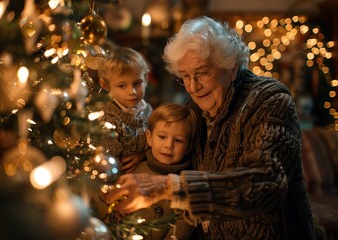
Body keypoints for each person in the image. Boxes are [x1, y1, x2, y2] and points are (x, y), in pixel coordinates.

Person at [104, 16, 316, 239]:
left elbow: (264, 183)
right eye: (185, 76)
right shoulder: (195, 110)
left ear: (231, 67)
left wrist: (170, 187)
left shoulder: (269, 100)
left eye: (203, 72)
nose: (193, 87)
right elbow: (169, 147)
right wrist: (142, 154)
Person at [130, 102, 197, 240]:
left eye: (178, 140)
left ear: (189, 146)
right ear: (149, 137)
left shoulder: (186, 185)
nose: (169, 145)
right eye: (162, 137)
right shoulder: (134, 170)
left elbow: (183, 225)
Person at [94, 46, 153, 173]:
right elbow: (110, 161)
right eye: (122, 86)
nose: (132, 92)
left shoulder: (147, 110)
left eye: (137, 83)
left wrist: (143, 155)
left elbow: (155, 142)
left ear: (146, 79)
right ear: (105, 85)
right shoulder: (106, 119)